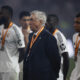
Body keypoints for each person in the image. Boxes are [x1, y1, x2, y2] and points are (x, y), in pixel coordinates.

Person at [23, 10, 61, 80]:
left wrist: (53, 76)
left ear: (40, 22)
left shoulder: (49, 37)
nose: (29, 23)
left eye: (32, 20)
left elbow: (56, 60)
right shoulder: (31, 35)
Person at [0, 5, 25, 80]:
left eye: (1, 13)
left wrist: (13, 64)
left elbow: (22, 52)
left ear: (8, 15)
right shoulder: (0, 28)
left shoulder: (16, 30)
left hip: (11, 71)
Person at [46, 14, 69, 80]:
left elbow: (66, 57)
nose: (46, 23)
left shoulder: (59, 36)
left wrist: (64, 77)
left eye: (49, 21)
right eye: (46, 21)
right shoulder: (46, 35)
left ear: (55, 23)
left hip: (57, 74)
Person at [19, 11, 31, 80]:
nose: (26, 22)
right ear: (20, 21)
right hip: (19, 63)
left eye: (28, 20)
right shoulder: (16, 31)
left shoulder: (35, 32)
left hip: (31, 63)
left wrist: (26, 37)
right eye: (24, 20)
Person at [70, 12, 80, 80]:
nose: (74, 25)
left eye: (78, 23)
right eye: (74, 22)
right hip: (75, 73)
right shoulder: (75, 36)